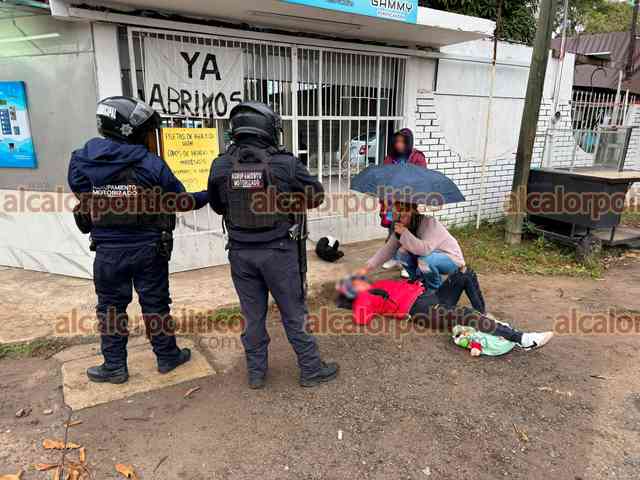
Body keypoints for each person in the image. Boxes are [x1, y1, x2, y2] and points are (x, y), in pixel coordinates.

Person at [68, 96, 209, 384]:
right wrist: (211, 194)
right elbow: (181, 200)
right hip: (149, 249)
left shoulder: (82, 159)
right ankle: (167, 357)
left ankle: (114, 366)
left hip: (107, 251)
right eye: (146, 131)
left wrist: (110, 195)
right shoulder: (150, 163)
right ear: (130, 131)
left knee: (110, 308)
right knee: (155, 304)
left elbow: (81, 191)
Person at [208, 101, 338, 389]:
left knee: (252, 315)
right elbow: (316, 195)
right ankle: (311, 369)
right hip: (279, 253)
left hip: (241, 254)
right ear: (267, 128)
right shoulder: (285, 163)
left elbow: (217, 205)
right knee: (293, 312)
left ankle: (256, 374)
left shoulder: (221, 164)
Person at [336, 271, 554, 351]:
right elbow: (361, 318)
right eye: (354, 282)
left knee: (464, 274)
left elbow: (404, 286)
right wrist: (358, 300)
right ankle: (522, 339)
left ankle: (483, 317)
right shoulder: (364, 298)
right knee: (464, 314)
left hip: (430, 295)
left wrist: (416, 281)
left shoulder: (378, 284)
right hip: (421, 310)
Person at [363, 201, 464, 291]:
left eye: (403, 214)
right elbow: (388, 250)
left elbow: (425, 250)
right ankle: (417, 282)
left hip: (451, 259)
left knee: (424, 261)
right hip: (429, 257)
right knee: (401, 253)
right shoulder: (402, 225)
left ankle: (435, 289)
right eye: (397, 215)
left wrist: (405, 233)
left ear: (413, 212)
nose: (399, 219)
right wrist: (366, 268)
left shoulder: (429, 222)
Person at [380, 129, 427, 273]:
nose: (399, 144)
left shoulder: (417, 157)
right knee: (392, 229)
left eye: (402, 142)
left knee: (408, 231)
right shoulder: (390, 158)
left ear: (409, 142)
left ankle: (408, 263)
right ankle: (393, 257)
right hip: (392, 201)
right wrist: (384, 199)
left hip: (408, 201)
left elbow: (421, 178)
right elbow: (384, 179)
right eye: (397, 141)